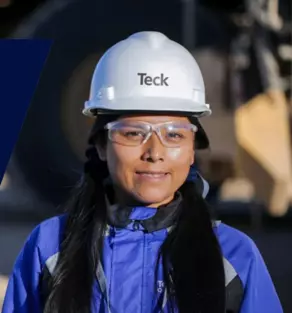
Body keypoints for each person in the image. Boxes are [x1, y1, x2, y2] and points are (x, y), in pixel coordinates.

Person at [2, 31, 283, 313]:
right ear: (101, 145)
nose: (154, 153)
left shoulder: (234, 256)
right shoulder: (50, 248)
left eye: (174, 135)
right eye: (134, 133)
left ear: (191, 149)